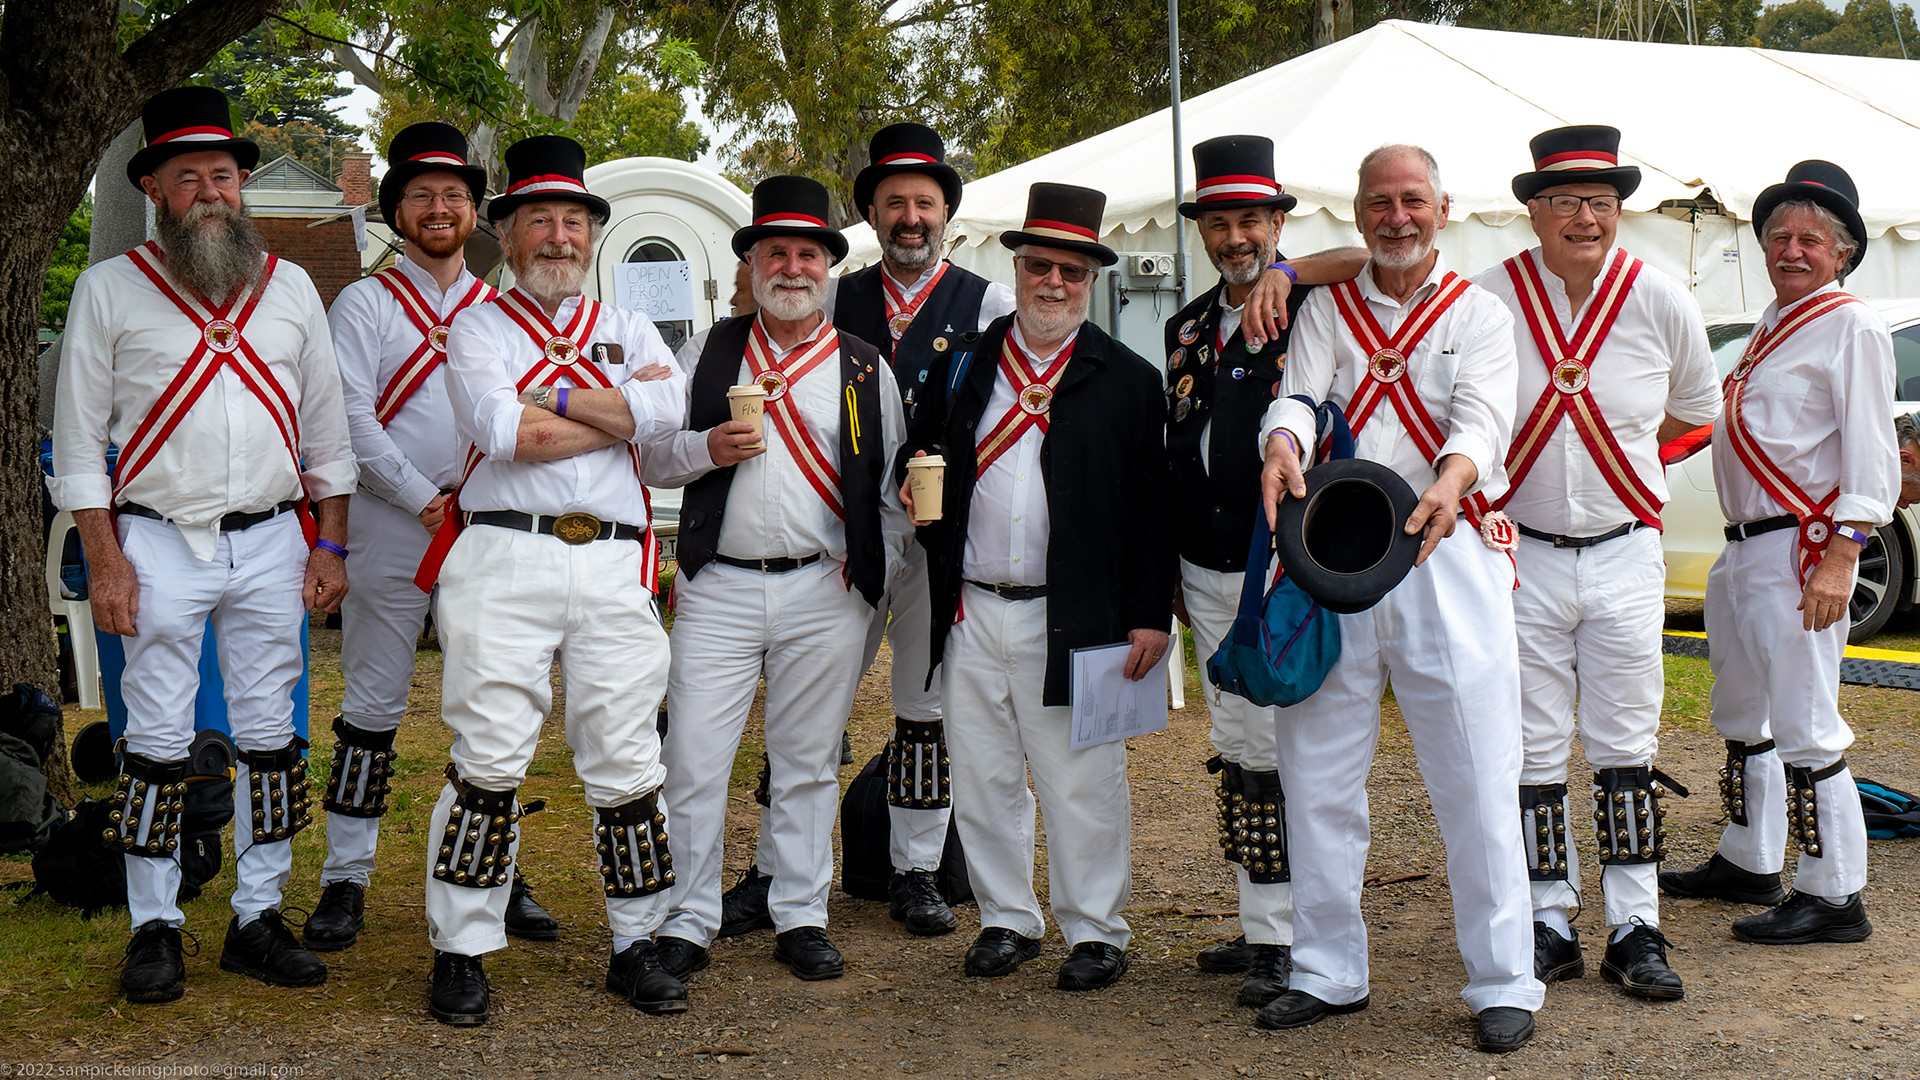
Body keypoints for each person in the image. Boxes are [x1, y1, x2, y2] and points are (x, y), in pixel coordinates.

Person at [50, 85, 355, 1002]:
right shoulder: (108, 289)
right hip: (154, 544)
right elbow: (78, 445)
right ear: (154, 189)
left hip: (273, 540)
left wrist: (331, 546)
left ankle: (257, 916)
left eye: (223, 174)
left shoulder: (290, 287)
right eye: (190, 178)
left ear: (241, 183)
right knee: (154, 740)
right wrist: (105, 558)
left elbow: (327, 433)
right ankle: (155, 926)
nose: (211, 193)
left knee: (271, 740)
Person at [1254, 145, 1543, 1052]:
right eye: (1379, 202)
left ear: (1443, 209)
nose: (1397, 217)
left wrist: (1453, 480)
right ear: (1358, 214)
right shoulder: (1326, 309)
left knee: (1477, 774)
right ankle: (1326, 969)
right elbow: (1298, 396)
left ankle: (1504, 980)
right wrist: (1280, 445)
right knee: (1317, 775)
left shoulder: (1482, 313)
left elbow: (1484, 418)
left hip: (1445, 558)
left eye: (1413, 199)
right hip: (1336, 558)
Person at [420, 135, 688, 1024]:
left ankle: (637, 943)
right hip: (505, 555)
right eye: (540, 219)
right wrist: (619, 412)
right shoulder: (477, 327)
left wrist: (556, 400)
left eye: (574, 220)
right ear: (506, 234)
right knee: (489, 758)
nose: (560, 237)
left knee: (628, 758)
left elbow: (669, 413)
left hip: (612, 560)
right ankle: (462, 948)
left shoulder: (631, 326)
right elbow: (506, 435)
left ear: (593, 234)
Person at [901, 182, 1174, 992]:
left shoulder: (1127, 378)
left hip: (1076, 613)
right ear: (1016, 269)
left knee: (1082, 780)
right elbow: (921, 451)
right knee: (984, 776)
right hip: (972, 604)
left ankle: (1096, 931)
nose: (1053, 283)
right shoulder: (965, 364)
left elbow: (1152, 510)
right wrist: (914, 477)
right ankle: (1007, 919)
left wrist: (1148, 614)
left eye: (1071, 271)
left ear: (1091, 279)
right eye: (1039, 267)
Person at [1468, 125, 1721, 1000]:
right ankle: (1547, 919)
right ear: (1534, 210)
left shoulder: (1659, 297)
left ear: (1620, 211)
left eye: (1603, 202)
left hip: (1625, 552)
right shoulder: (1488, 299)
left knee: (1626, 744)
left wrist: (1629, 464)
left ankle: (1634, 927)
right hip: (1520, 554)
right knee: (1532, 745)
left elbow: (1698, 409)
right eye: (1567, 201)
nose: (1587, 218)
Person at [646, 176, 910, 983]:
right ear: (753, 263)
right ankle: (687, 919)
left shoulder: (864, 367)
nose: (793, 268)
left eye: (808, 254)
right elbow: (652, 458)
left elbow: (891, 488)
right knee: (693, 758)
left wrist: (871, 576)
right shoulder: (704, 353)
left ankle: (800, 914)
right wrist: (705, 449)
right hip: (718, 587)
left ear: (829, 268)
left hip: (824, 590)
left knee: (806, 762)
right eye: (777, 253)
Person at [304, 122, 557, 952]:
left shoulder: (506, 310)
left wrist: (461, 505)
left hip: (486, 527)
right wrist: (421, 500)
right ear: (396, 210)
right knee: (370, 709)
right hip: (393, 524)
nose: (439, 208)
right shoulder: (366, 303)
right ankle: (346, 877)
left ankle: (498, 869)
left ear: (476, 212)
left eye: (454, 195)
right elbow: (349, 418)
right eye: (421, 195)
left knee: (492, 709)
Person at [1660, 161, 1896, 947]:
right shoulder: (1772, 323)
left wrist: (1843, 555)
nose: (1791, 250)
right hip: (1744, 547)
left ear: (1843, 252)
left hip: (1801, 550)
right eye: (1779, 237)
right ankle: (1749, 857)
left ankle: (1835, 893)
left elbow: (1873, 455)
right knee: (1743, 711)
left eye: (1810, 240)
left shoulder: (1853, 326)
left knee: (1806, 722)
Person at [1161, 134, 1366, 1008]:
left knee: (1297, 753)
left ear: (1278, 223)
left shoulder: (1317, 297)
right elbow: (1182, 448)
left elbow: (1369, 253)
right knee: (1240, 749)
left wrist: (1291, 271)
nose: (1236, 237)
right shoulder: (1184, 326)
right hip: (1206, 566)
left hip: (1284, 568)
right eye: (1220, 222)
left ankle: (1298, 937)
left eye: (1251, 220)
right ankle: (1263, 928)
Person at [823, 121, 1018, 937]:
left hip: (939, 537)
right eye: (895, 202)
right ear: (871, 213)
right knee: (814, 702)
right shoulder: (832, 297)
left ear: (947, 214)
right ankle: (778, 872)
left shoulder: (991, 302)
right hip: (844, 531)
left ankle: (916, 870)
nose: (911, 217)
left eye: (925, 203)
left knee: (924, 704)